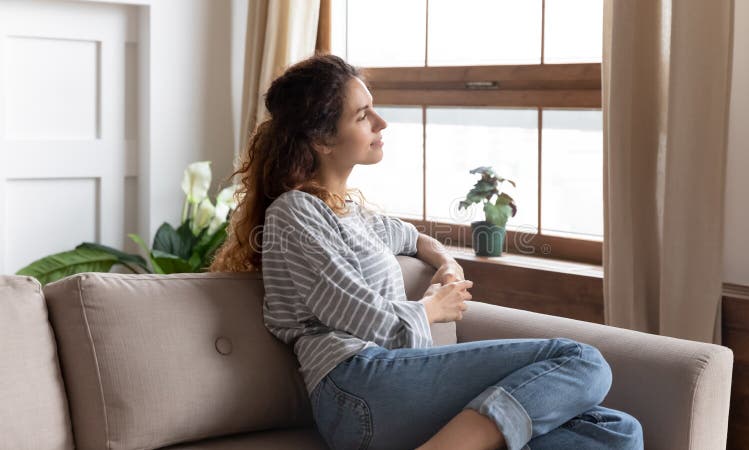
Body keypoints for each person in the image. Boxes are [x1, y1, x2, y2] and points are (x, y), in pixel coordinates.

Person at [210, 54, 643, 450]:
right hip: (356, 388)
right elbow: (370, 320)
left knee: (617, 432)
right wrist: (434, 308)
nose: (381, 122)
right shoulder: (294, 213)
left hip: (396, 387)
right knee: (581, 359)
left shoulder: (351, 215)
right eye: (363, 115)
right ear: (322, 141)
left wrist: (446, 261)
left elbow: (410, 237)